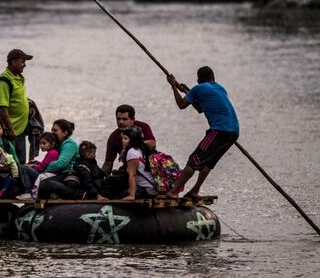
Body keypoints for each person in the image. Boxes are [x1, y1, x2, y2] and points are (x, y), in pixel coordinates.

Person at [166, 66, 239, 199]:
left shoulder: (198, 88)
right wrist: (188, 92)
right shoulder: (220, 88)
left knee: (193, 160)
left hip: (219, 130)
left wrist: (173, 86)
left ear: (198, 80)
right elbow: (200, 108)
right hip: (233, 131)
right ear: (213, 78)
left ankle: (174, 192)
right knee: (208, 162)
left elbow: (181, 105)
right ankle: (194, 191)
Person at [0, 49, 33, 165]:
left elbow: (18, 98)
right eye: (22, 61)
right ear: (13, 62)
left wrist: (28, 108)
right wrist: (10, 129)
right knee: (10, 163)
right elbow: (2, 108)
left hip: (20, 130)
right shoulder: (4, 81)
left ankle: (21, 182)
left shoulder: (19, 78)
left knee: (21, 162)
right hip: (10, 132)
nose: (25, 64)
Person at [32, 119, 80, 200]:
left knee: (45, 183)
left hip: (69, 174)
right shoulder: (59, 144)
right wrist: (37, 164)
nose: (52, 132)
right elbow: (51, 162)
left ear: (65, 133)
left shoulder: (69, 144)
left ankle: (75, 195)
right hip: (61, 174)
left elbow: (61, 163)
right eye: (52, 130)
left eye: (55, 130)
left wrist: (42, 167)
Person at [102, 104, 156, 175]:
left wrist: (128, 147)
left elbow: (152, 144)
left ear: (132, 120)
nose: (121, 122)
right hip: (130, 169)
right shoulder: (113, 137)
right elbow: (108, 162)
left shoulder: (143, 127)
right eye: (118, 119)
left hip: (149, 166)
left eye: (124, 119)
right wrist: (100, 180)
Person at [121, 126, 157, 200]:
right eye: (122, 138)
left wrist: (131, 195)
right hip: (153, 189)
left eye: (125, 138)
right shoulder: (142, 149)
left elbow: (132, 175)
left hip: (147, 191)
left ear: (132, 140)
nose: (123, 141)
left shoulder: (132, 152)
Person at [20, 132, 59, 199]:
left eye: (44, 143)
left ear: (52, 144)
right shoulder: (53, 152)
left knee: (23, 167)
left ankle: (28, 192)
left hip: (47, 177)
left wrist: (32, 166)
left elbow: (40, 168)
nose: (41, 145)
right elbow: (44, 164)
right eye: (40, 143)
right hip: (48, 176)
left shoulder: (52, 153)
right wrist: (36, 162)